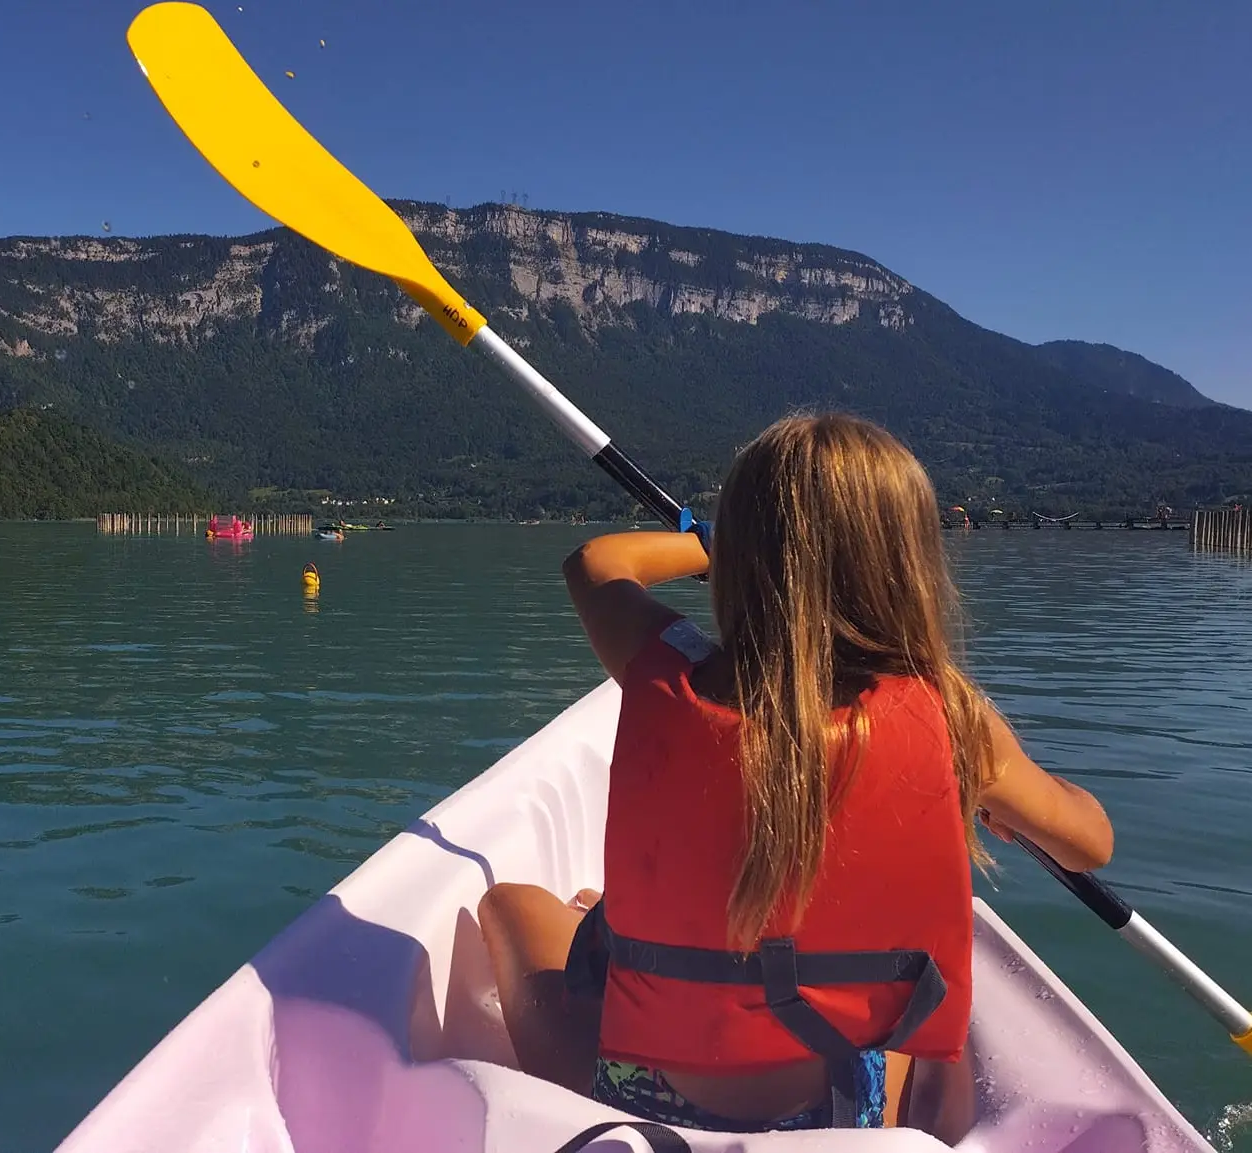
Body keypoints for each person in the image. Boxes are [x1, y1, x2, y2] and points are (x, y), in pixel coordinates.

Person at [477, 414, 1113, 1144]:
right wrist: (1003, 800)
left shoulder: (662, 665)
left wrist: (707, 547)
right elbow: (1089, 842)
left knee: (508, 901)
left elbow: (595, 561)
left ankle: (606, 922)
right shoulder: (954, 720)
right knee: (930, 1005)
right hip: (842, 1107)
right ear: (908, 561)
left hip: (643, 1090)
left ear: (745, 558)